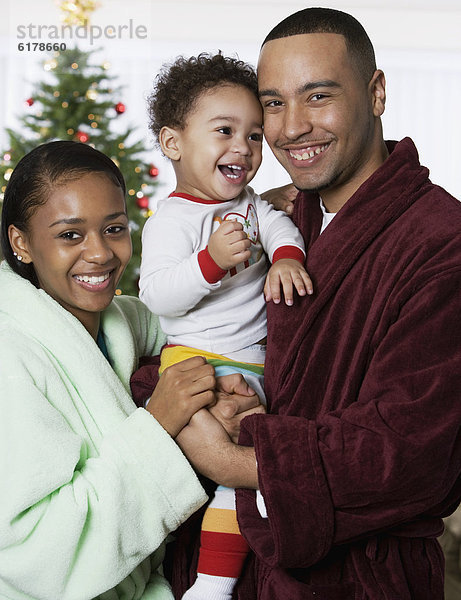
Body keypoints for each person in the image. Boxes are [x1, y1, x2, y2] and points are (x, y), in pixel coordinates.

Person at [166, 7, 461, 599]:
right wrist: (182, 405)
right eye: (272, 103)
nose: (291, 127)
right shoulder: (263, 221)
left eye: (318, 96)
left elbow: (409, 451)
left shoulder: (441, 239)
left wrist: (225, 459)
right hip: (225, 569)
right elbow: (179, 333)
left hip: (359, 582)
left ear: (376, 93)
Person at [0, 139, 262, 599]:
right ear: (21, 242)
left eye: (115, 228)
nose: (100, 254)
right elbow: (36, 553)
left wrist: (220, 398)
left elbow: (211, 337)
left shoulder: (129, 321)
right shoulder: (10, 351)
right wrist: (162, 425)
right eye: (70, 235)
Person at [138, 53, 312, 600]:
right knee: (193, 470)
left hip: (253, 369)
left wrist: (286, 255)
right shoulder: (172, 221)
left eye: (255, 135)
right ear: (173, 144)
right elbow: (158, 296)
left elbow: (284, 225)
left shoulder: (253, 206)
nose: (243, 147)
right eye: (224, 131)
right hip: (191, 363)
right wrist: (210, 262)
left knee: (241, 484)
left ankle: (213, 584)